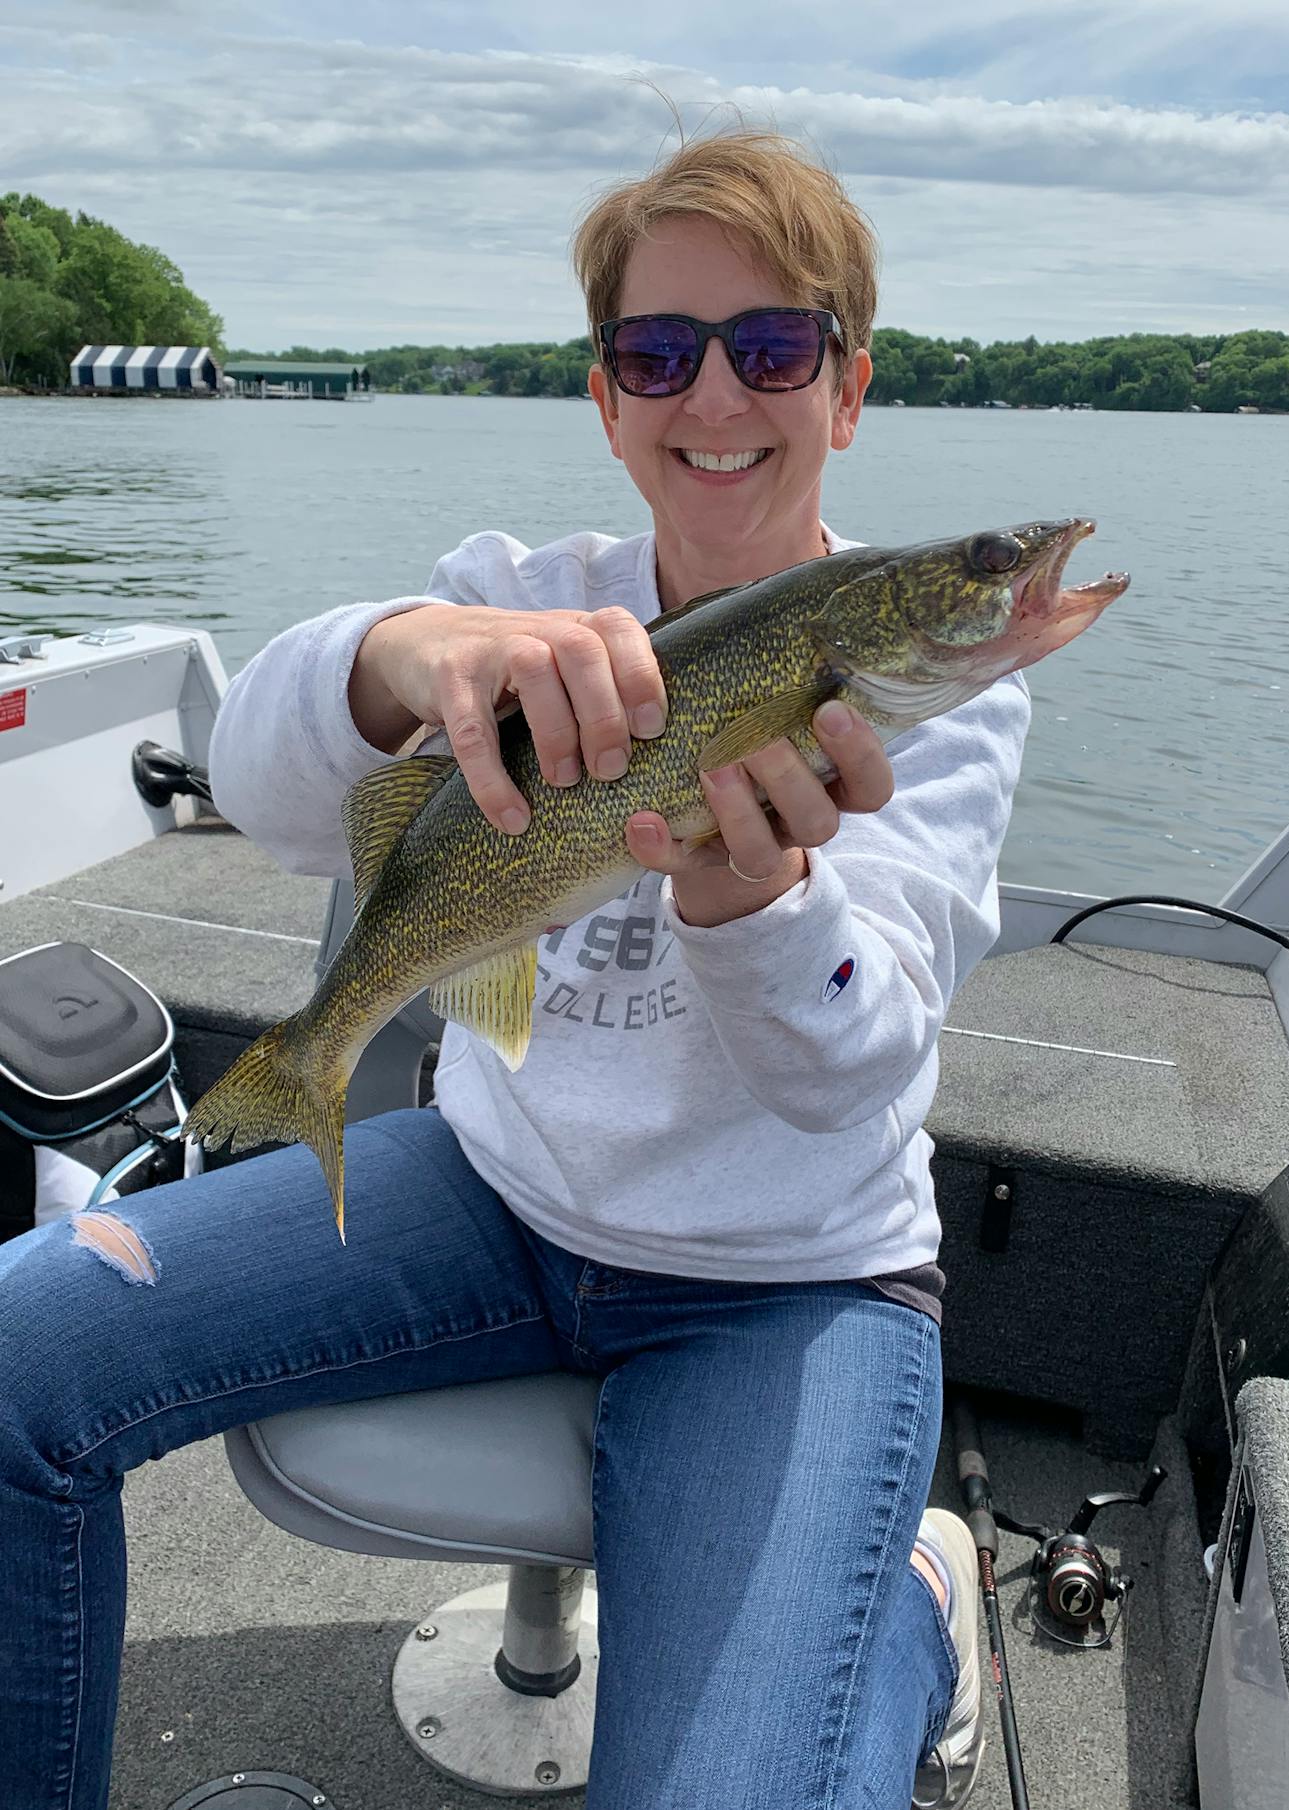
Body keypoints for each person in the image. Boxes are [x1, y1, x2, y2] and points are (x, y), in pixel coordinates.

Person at [0, 128, 1029, 1808]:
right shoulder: (517, 597)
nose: (714, 393)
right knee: (13, 1361)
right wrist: (395, 656)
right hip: (494, 1192)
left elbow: (858, 1063)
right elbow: (269, 793)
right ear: (608, 397)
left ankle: (914, 1605)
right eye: (658, 351)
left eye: (770, 347)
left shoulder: (949, 697)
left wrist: (758, 897)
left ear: (846, 389)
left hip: (786, 1286)